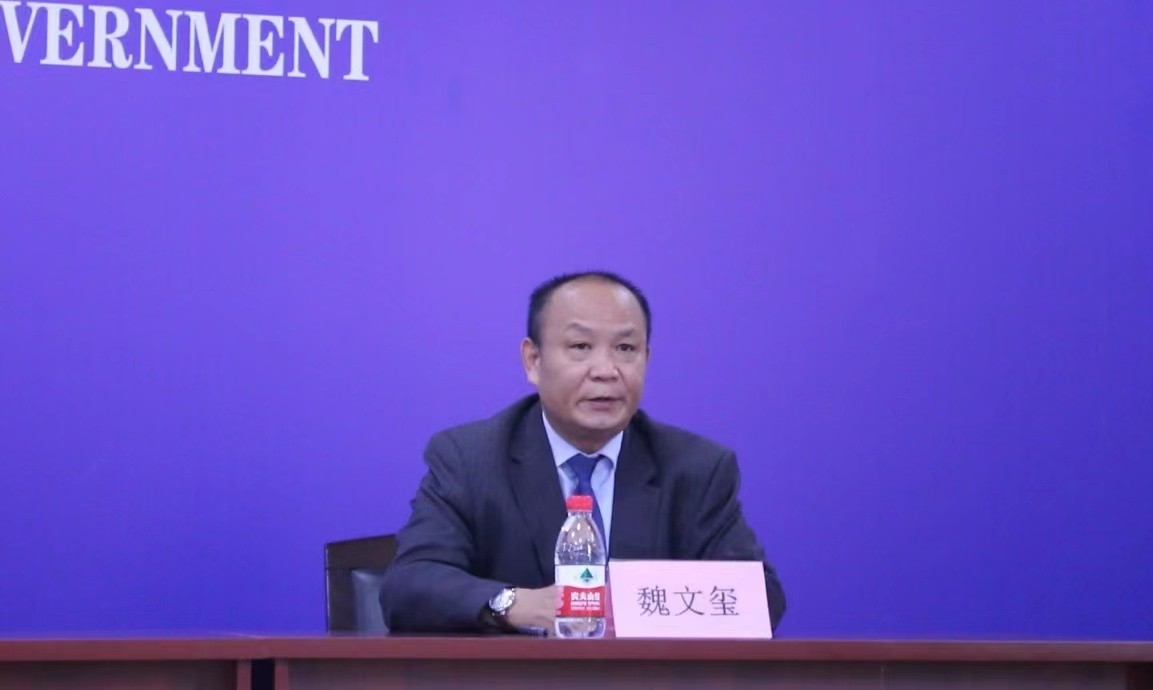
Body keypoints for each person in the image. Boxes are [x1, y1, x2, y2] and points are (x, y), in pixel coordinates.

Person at [380, 271, 786, 632]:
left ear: (646, 359)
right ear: (533, 360)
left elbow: (760, 599)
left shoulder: (696, 468)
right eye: (580, 346)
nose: (606, 370)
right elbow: (410, 585)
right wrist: (516, 604)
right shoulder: (470, 459)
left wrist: (634, 608)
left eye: (625, 349)